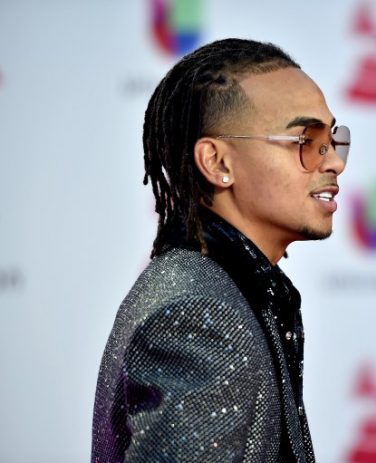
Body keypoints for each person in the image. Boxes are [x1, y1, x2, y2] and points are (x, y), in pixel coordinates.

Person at [91, 38, 350, 463]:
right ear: (218, 163)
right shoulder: (199, 314)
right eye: (304, 139)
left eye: (332, 140)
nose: (334, 162)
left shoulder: (230, 289)